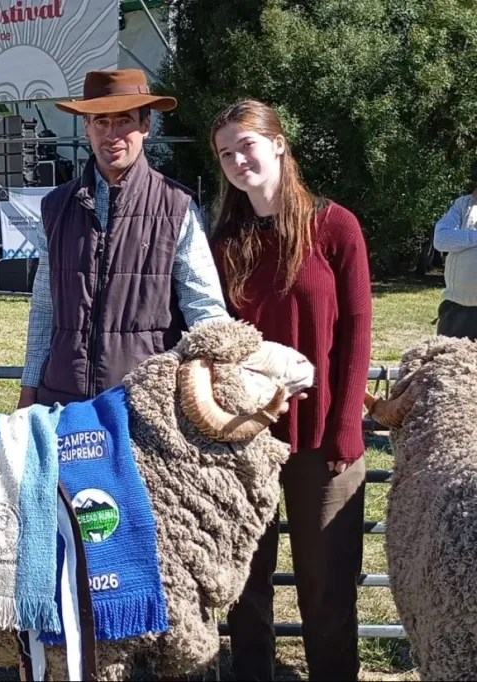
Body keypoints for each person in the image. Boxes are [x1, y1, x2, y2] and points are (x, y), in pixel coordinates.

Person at [209, 99, 372, 681]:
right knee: (246, 588)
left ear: (278, 143)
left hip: (323, 438)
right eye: (225, 152)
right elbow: (216, 337)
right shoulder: (226, 238)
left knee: (326, 592)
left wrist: (347, 424)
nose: (236, 159)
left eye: (246, 144)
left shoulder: (335, 226)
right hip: (245, 439)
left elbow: (356, 331)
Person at [18, 69, 230, 408]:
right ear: (86, 127)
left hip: (144, 404)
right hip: (64, 404)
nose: (111, 134)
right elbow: (44, 309)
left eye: (124, 121)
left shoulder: (177, 207)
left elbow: (204, 309)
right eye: (100, 121)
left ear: (146, 126)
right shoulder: (55, 207)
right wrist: (30, 389)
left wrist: (219, 387)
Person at [432, 160, 477, 340]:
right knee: (448, 363)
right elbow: (441, 239)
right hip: (458, 310)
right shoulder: (462, 205)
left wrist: (464, 238)